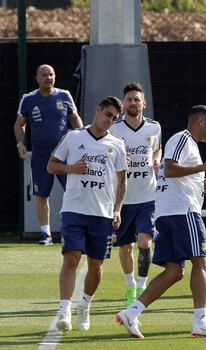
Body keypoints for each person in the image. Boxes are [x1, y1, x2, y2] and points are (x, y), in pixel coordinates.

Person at [115, 105, 206, 338]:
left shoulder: (188, 144)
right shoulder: (183, 137)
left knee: (175, 271)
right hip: (181, 212)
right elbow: (170, 168)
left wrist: (200, 185)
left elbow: (174, 175)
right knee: (202, 262)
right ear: (200, 121)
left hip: (171, 212)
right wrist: (203, 168)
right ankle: (200, 321)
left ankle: (132, 312)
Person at [47, 96, 128, 332]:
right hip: (74, 209)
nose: (109, 121)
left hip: (102, 213)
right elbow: (51, 165)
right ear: (98, 110)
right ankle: (64, 310)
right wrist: (71, 168)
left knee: (96, 266)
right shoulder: (74, 137)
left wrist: (117, 209)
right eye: (107, 115)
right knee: (71, 258)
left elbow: (122, 183)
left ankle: (85, 305)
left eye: (114, 118)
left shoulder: (117, 145)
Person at [14, 64, 83, 245]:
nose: (49, 78)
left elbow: (75, 119)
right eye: (44, 75)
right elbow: (19, 124)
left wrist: (84, 142)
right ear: (37, 78)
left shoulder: (64, 95)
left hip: (65, 154)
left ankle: (70, 231)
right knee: (42, 194)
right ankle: (46, 234)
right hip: (41, 155)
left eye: (51, 74)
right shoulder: (28, 99)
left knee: (73, 192)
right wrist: (20, 143)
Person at [111, 82, 162, 306]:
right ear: (124, 104)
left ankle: (142, 286)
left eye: (137, 99)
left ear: (144, 103)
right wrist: (119, 160)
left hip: (147, 196)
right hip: (123, 198)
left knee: (144, 241)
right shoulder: (115, 129)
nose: (133, 103)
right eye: (129, 99)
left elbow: (156, 148)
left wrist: (156, 159)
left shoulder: (154, 127)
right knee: (125, 246)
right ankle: (130, 284)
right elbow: (106, 156)